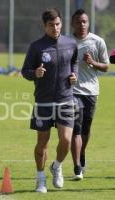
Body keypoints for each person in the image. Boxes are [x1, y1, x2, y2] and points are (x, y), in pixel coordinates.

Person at [21, 8, 78, 193]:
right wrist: (34, 73)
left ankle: (57, 166)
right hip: (44, 102)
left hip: (65, 100)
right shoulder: (37, 46)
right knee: (42, 143)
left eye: (58, 24)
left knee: (66, 140)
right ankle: (40, 178)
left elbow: (74, 62)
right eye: (51, 25)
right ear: (44, 26)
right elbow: (25, 71)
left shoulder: (70, 42)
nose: (55, 28)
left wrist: (74, 75)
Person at [70, 9, 109, 180]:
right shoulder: (66, 42)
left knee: (86, 129)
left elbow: (106, 67)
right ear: (73, 23)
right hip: (72, 91)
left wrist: (92, 62)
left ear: (88, 23)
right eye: (78, 21)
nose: (82, 24)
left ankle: (82, 152)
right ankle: (77, 166)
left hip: (91, 91)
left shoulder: (97, 41)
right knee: (76, 129)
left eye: (84, 21)